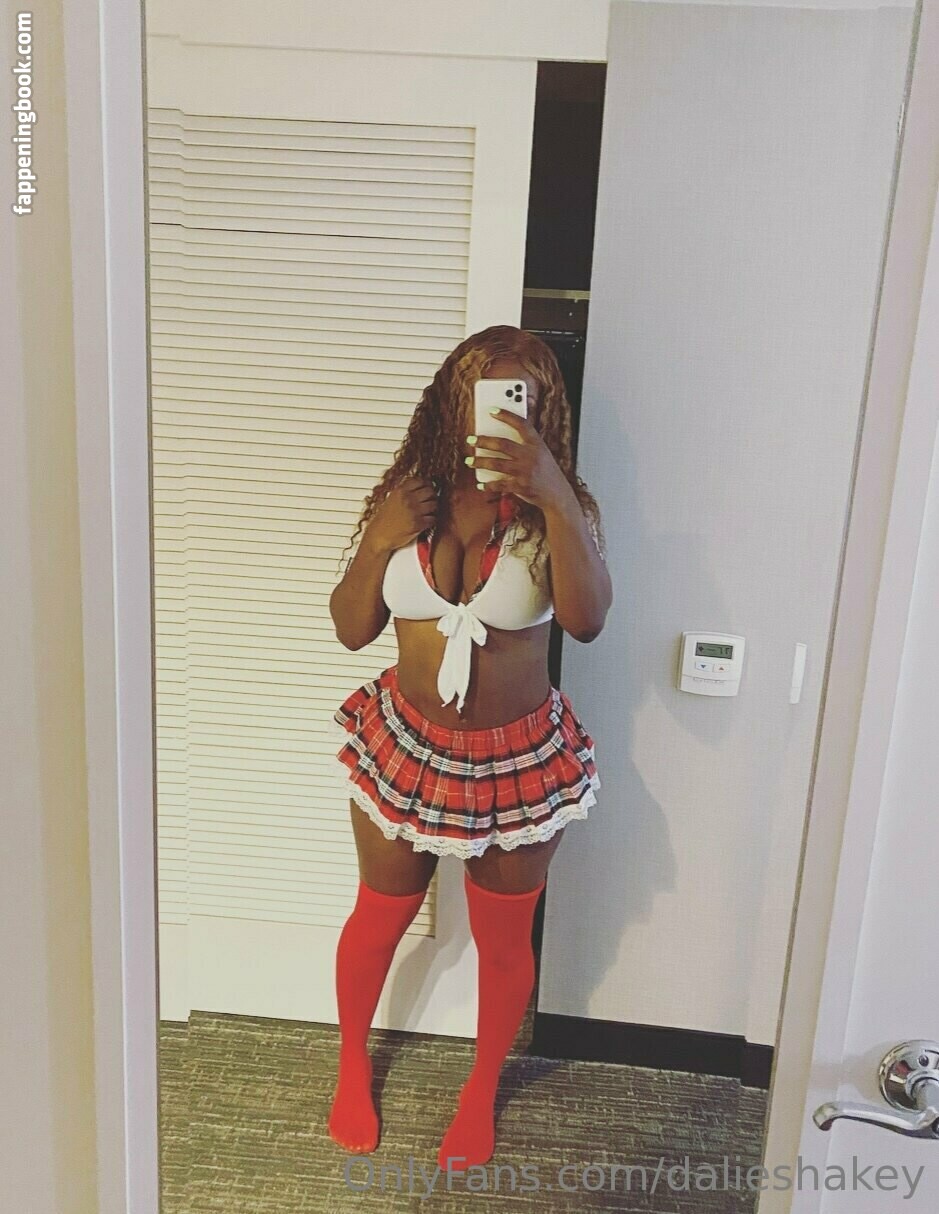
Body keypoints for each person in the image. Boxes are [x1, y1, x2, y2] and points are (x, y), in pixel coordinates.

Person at [326, 324, 612, 1170]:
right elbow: (351, 628)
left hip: (519, 762)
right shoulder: (410, 497)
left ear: (543, 409)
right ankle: (350, 1065)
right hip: (405, 746)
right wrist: (379, 538)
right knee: (379, 916)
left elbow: (588, 622)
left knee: (502, 941)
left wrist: (554, 496)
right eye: (480, 393)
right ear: (450, 402)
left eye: (519, 396)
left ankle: (480, 1090)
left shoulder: (559, 508)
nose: (496, 412)